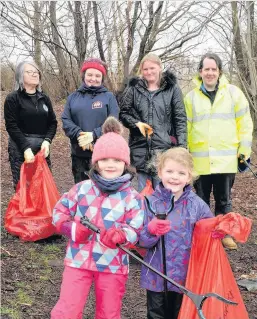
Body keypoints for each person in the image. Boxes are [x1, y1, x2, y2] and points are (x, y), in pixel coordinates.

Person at [51, 117, 144, 319]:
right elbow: (58, 213)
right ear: (96, 161)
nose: (110, 165)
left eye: (117, 160)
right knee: (67, 310)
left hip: (113, 265)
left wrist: (122, 235)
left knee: (109, 313)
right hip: (78, 261)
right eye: (105, 159)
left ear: (125, 163)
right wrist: (72, 230)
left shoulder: (132, 198)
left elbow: (136, 228)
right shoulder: (81, 189)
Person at [184, 52, 253, 249]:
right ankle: (203, 234)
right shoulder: (190, 98)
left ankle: (224, 234)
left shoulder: (234, 93)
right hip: (200, 160)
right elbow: (185, 127)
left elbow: (245, 123)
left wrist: (244, 149)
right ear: (200, 71)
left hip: (226, 159)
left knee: (224, 199)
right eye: (207, 69)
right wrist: (183, 154)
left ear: (219, 71)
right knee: (201, 200)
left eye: (214, 69)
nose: (210, 73)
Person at [139, 147, 213, 319]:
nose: (174, 177)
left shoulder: (197, 205)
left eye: (181, 173)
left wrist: (221, 227)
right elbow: (140, 241)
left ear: (189, 176)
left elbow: (208, 234)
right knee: (156, 314)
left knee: (181, 314)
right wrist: (150, 231)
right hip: (155, 275)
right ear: (160, 172)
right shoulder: (149, 203)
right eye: (169, 171)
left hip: (185, 275)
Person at [119, 53, 187, 192]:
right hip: (140, 147)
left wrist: (182, 147)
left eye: (152, 68)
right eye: (145, 69)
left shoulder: (172, 89)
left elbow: (180, 118)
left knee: (164, 191)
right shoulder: (133, 88)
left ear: (160, 68)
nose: (149, 72)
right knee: (144, 192)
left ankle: (162, 214)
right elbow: (123, 113)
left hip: (164, 148)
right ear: (141, 71)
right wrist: (136, 123)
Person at [62, 58, 119, 184]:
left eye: (97, 75)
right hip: (79, 154)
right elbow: (66, 120)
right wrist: (80, 135)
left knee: (104, 190)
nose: (93, 78)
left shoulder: (108, 97)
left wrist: (94, 135)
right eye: (90, 74)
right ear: (84, 75)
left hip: (104, 154)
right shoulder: (73, 97)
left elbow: (114, 121)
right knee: (82, 191)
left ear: (102, 78)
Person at [4, 60, 57, 190]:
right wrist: (26, 148)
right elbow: (11, 126)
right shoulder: (13, 98)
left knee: (43, 186)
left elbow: (53, 122)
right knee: (24, 187)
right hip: (21, 148)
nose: (34, 74)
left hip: (42, 148)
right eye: (29, 72)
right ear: (20, 76)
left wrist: (47, 141)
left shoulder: (44, 98)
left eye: (36, 72)